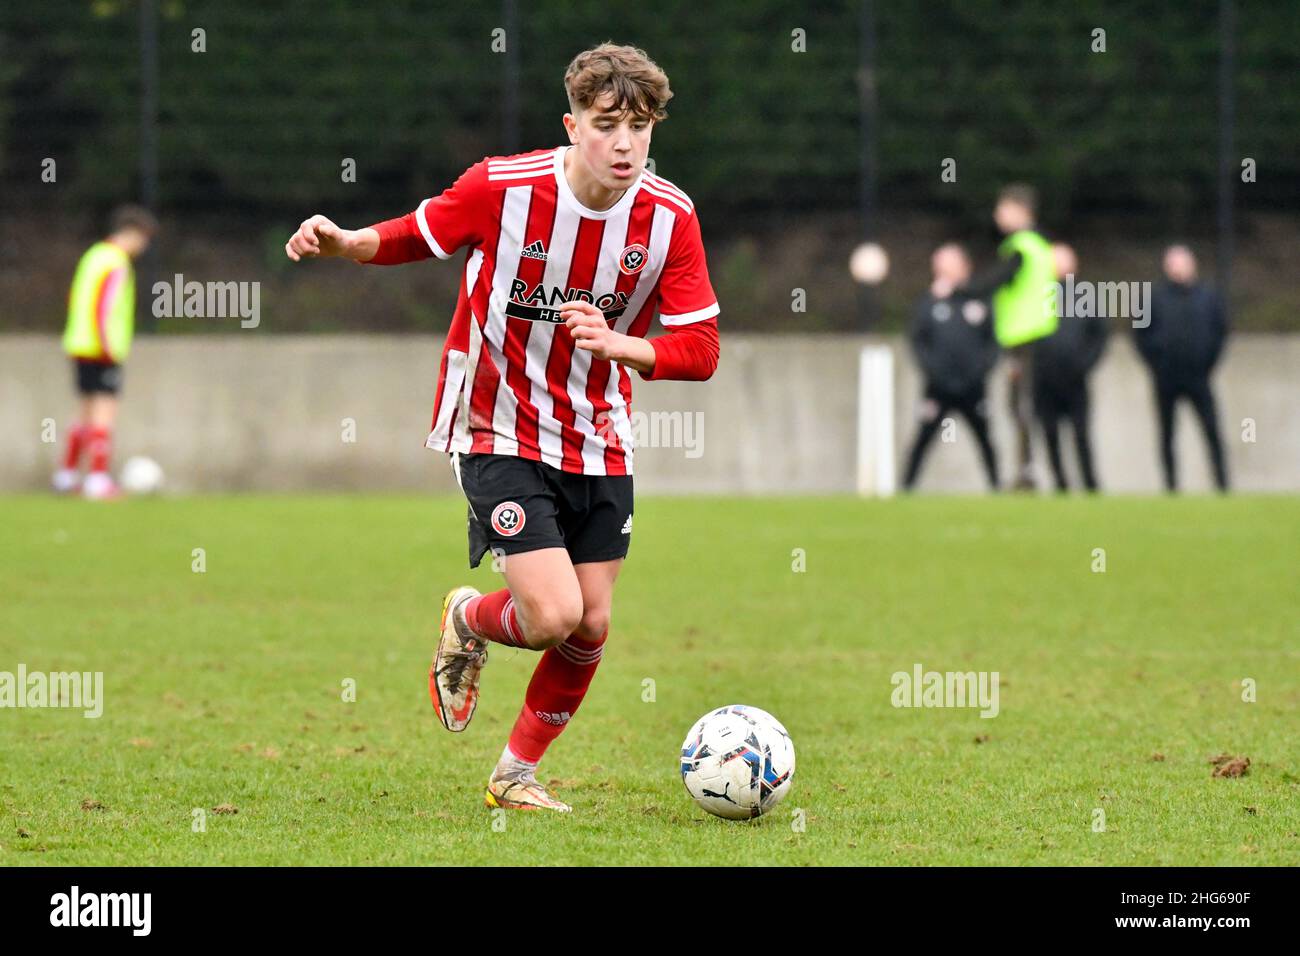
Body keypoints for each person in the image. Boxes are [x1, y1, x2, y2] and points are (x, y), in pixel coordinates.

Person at [284, 44, 720, 812]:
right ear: (572, 124)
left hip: (598, 431)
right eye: (606, 124)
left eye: (641, 127)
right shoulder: (505, 186)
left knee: (593, 621)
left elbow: (702, 348)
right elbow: (423, 232)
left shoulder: (670, 219)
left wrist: (626, 345)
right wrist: (350, 243)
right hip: (494, 424)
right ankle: (468, 616)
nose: (625, 144)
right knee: (552, 616)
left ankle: (516, 773)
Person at [951, 184, 1059, 490]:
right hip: (1031, 335)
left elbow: (997, 279)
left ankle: (1027, 474)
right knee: (1023, 406)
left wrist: (959, 288)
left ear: (1020, 210)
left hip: (1027, 336)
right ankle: (1028, 471)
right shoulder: (1039, 245)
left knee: (1021, 406)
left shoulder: (1022, 246)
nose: (997, 215)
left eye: (1003, 208)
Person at [54, 205, 158, 499]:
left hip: (79, 343)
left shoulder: (94, 255)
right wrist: (108, 346)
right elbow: (104, 306)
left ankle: (66, 475)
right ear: (133, 233)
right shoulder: (116, 262)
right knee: (103, 413)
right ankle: (97, 480)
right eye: (144, 238)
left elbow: (75, 297)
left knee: (84, 413)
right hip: (102, 347)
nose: (144, 246)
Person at [902, 244, 999, 491]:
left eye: (947, 262)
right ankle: (906, 489)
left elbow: (993, 342)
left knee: (985, 439)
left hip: (973, 387)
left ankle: (997, 487)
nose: (941, 268)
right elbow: (917, 340)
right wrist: (934, 371)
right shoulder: (929, 302)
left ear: (964, 266)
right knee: (923, 438)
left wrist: (979, 371)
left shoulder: (980, 300)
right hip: (937, 387)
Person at [1134, 244, 1229, 492]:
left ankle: (1222, 485)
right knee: (1167, 435)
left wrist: (1207, 362)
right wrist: (1156, 364)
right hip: (1166, 378)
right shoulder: (1153, 297)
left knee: (1212, 432)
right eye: (1173, 263)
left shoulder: (1207, 296)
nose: (1178, 268)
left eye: (1182, 262)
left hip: (1199, 376)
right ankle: (1171, 487)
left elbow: (1221, 331)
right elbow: (1139, 335)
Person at [1031, 243, 1107, 492]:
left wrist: (1085, 363)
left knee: (1081, 434)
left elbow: (1099, 335)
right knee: (1050, 434)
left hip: (1075, 380)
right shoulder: (1036, 295)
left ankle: (1090, 485)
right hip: (1044, 380)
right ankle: (1060, 484)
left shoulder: (1085, 295)